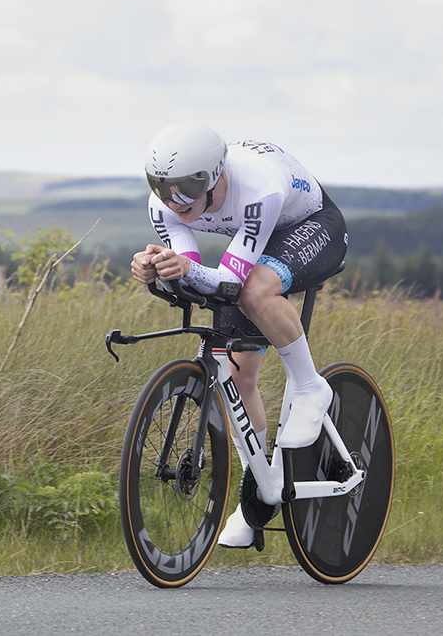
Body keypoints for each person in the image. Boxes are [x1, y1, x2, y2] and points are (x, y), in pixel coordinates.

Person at [130, 122, 348, 549]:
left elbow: (231, 281)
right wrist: (157, 268)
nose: (174, 202)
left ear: (213, 178)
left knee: (254, 290)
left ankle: (310, 387)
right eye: (162, 188)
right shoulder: (164, 207)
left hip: (313, 227)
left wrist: (188, 270)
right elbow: (192, 275)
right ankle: (259, 492)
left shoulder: (258, 187)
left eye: (184, 190)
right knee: (238, 371)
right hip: (260, 244)